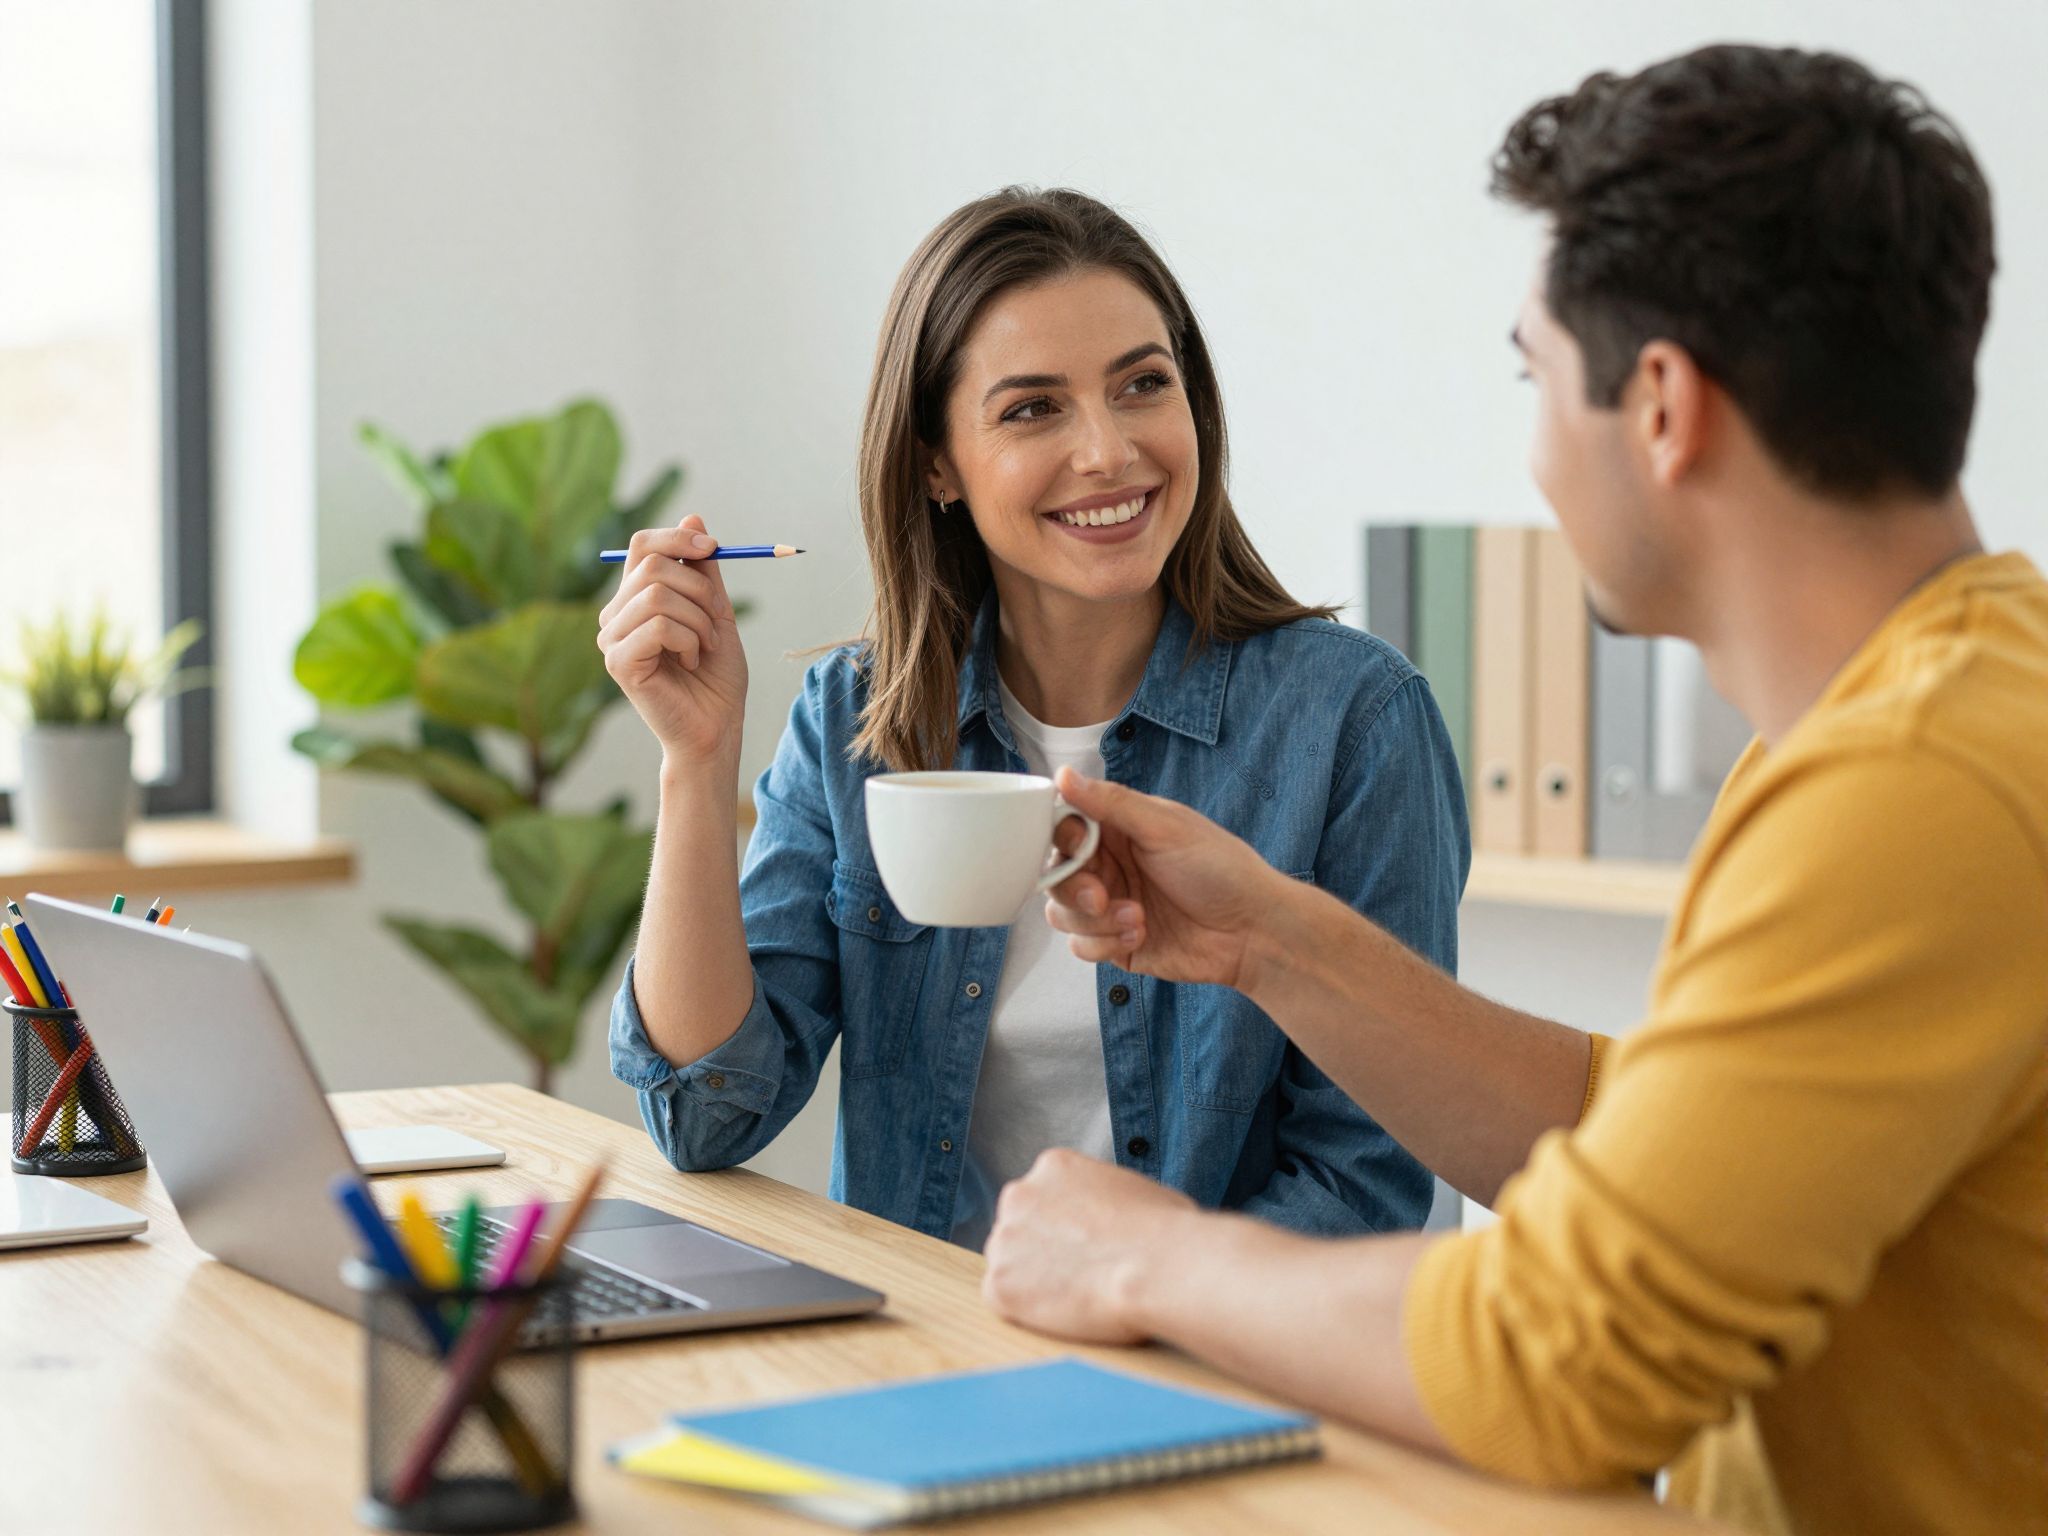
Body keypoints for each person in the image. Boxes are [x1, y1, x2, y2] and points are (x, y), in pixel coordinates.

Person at [981, 46, 2047, 1536]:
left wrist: (1145, 1260)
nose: (1536, 447)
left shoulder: (1913, 786)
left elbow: (1567, 1358)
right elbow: (1661, 1152)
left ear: (1663, 408)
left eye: (1534, 376)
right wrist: (1271, 944)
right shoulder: (1927, 712)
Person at [598, 188, 1467, 1248]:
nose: (1106, 452)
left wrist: (1120, 1307)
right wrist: (694, 759)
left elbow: (1365, 1188)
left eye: (1142, 385)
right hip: (928, 1358)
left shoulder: (1354, 723)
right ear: (933, 464)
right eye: (1031, 408)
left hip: (1211, 1364)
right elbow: (706, 1113)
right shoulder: (853, 721)